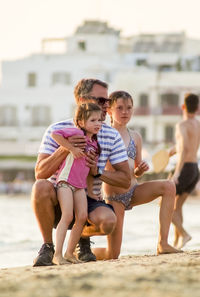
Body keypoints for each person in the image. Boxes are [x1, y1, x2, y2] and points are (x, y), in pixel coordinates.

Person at [32, 78, 131, 266]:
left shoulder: (110, 134)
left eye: (107, 101)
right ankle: (48, 246)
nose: (106, 106)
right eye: (101, 101)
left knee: (108, 221)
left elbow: (126, 180)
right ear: (82, 101)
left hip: (86, 197)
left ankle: (80, 241)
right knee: (40, 187)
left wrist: (98, 171)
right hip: (59, 192)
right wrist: (66, 149)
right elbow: (40, 173)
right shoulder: (58, 130)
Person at [92, 90, 181, 260]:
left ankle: (163, 243)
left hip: (134, 191)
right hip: (114, 197)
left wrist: (139, 170)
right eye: (120, 108)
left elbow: (135, 173)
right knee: (113, 254)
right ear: (109, 110)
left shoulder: (136, 137)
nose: (125, 112)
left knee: (169, 186)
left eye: (129, 108)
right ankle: (80, 253)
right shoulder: (103, 135)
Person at [50, 103, 102, 264]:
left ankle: (70, 253)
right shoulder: (76, 132)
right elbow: (55, 134)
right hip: (65, 182)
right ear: (80, 122)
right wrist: (71, 148)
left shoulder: (95, 143)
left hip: (80, 186)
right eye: (93, 120)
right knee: (67, 215)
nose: (98, 123)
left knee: (82, 216)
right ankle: (57, 254)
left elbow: (93, 172)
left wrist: (94, 165)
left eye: (100, 120)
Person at [169, 93, 200, 249]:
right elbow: (188, 146)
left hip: (184, 168)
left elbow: (184, 150)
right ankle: (177, 243)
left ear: (183, 106)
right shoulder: (198, 124)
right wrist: (171, 151)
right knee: (177, 206)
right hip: (195, 169)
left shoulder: (181, 125)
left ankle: (184, 234)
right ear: (198, 108)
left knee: (164, 204)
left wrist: (176, 174)